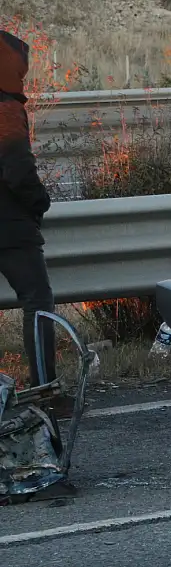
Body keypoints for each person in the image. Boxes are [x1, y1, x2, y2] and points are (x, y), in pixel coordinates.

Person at [0, 29, 57, 395]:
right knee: (37, 301)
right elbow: (17, 169)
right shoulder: (6, 108)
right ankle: (44, 388)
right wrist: (40, 202)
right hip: (9, 225)